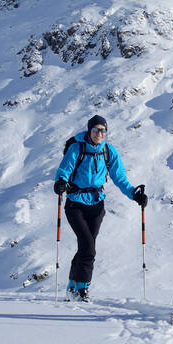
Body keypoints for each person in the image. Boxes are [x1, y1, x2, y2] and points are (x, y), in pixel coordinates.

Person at [54, 115, 146, 302]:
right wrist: (61, 182)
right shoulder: (76, 148)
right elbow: (64, 169)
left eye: (103, 130)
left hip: (97, 204)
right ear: (89, 130)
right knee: (88, 246)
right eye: (96, 130)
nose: (99, 133)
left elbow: (120, 178)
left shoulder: (108, 151)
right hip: (75, 203)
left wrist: (134, 194)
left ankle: (72, 285)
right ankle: (82, 288)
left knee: (86, 246)